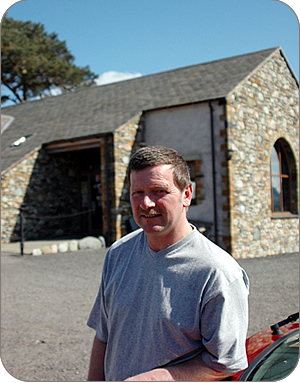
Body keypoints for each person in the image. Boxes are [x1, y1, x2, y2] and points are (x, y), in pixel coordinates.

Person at [87, 146, 249, 381]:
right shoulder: (118, 254)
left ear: (187, 195)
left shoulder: (218, 272)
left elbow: (226, 362)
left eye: (159, 191)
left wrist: (156, 378)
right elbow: (103, 335)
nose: (146, 203)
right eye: (137, 192)